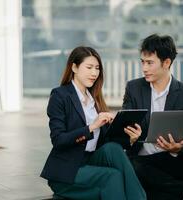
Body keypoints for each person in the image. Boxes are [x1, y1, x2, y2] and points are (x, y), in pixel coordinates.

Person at [40, 46, 146, 200]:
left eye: (97, 68)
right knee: (112, 177)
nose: (94, 73)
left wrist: (130, 139)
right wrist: (92, 126)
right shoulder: (60, 95)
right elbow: (58, 140)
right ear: (74, 67)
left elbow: (106, 142)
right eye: (89, 67)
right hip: (68, 169)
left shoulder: (95, 100)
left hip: (91, 161)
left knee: (113, 148)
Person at [121, 34, 183, 200]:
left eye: (150, 63)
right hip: (144, 161)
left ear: (167, 63)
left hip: (173, 160)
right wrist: (131, 138)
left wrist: (178, 148)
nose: (144, 68)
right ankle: (178, 189)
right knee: (130, 165)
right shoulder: (133, 88)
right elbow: (125, 125)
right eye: (143, 62)